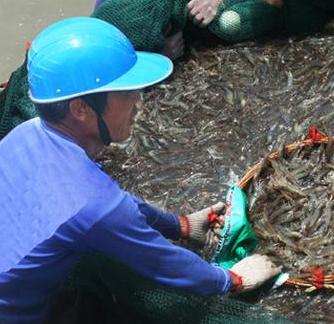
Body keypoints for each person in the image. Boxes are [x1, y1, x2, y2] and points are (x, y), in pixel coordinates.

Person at [0, 17, 281, 323]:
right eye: (124, 93)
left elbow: (111, 206)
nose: (138, 100)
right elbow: (164, 263)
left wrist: (181, 225)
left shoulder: (26, 134)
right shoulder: (93, 206)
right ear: (80, 109)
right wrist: (232, 280)